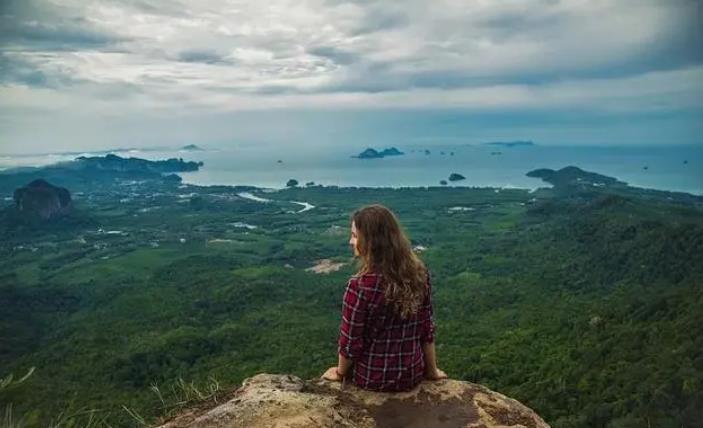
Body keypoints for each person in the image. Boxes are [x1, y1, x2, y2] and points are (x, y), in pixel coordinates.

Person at [321, 204, 447, 391]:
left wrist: (339, 373)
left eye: (355, 236)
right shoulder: (419, 275)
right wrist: (432, 371)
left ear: (371, 241)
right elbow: (426, 328)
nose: (350, 241)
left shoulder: (359, 286)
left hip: (371, 378)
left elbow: (350, 343)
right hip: (411, 375)